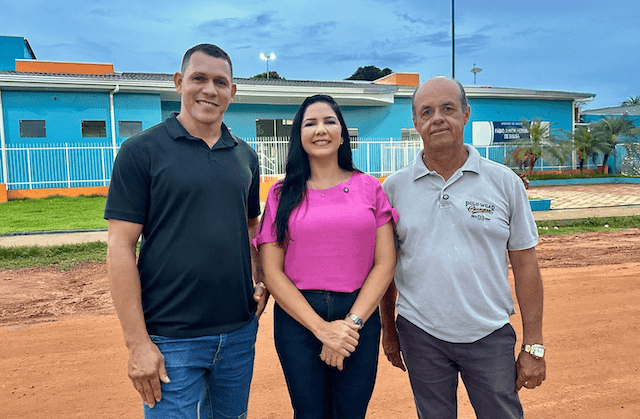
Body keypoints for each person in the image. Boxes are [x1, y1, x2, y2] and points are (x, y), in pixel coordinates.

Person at [104, 43, 268, 418]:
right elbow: (120, 247)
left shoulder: (245, 156)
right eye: (199, 79)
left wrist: (260, 279)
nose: (210, 90)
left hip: (238, 333)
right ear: (179, 82)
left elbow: (249, 228)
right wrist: (137, 343)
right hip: (170, 338)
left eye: (220, 82)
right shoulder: (141, 151)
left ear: (232, 91)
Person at [380, 76, 546, 418]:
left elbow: (526, 266)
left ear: (466, 114)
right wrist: (389, 330)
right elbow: (385, 266)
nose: (437, 119)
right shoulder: (394, 189)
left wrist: (534, 345)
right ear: (415, 123)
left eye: (448, 108)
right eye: (427, 112)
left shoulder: (504, 183)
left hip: (489, 334)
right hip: (420, 334)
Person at [254, 94, 397, 418]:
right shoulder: (281, 194)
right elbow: (271, 271)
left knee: (351, 413)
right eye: (310, 123)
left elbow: (385, 262)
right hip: (299, 322)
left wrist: (351, 325)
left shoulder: (370, 188)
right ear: (299, 136)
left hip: (358, 318)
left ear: (342, 134)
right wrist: (322, 330)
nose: (320, 129)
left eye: (329, 121)